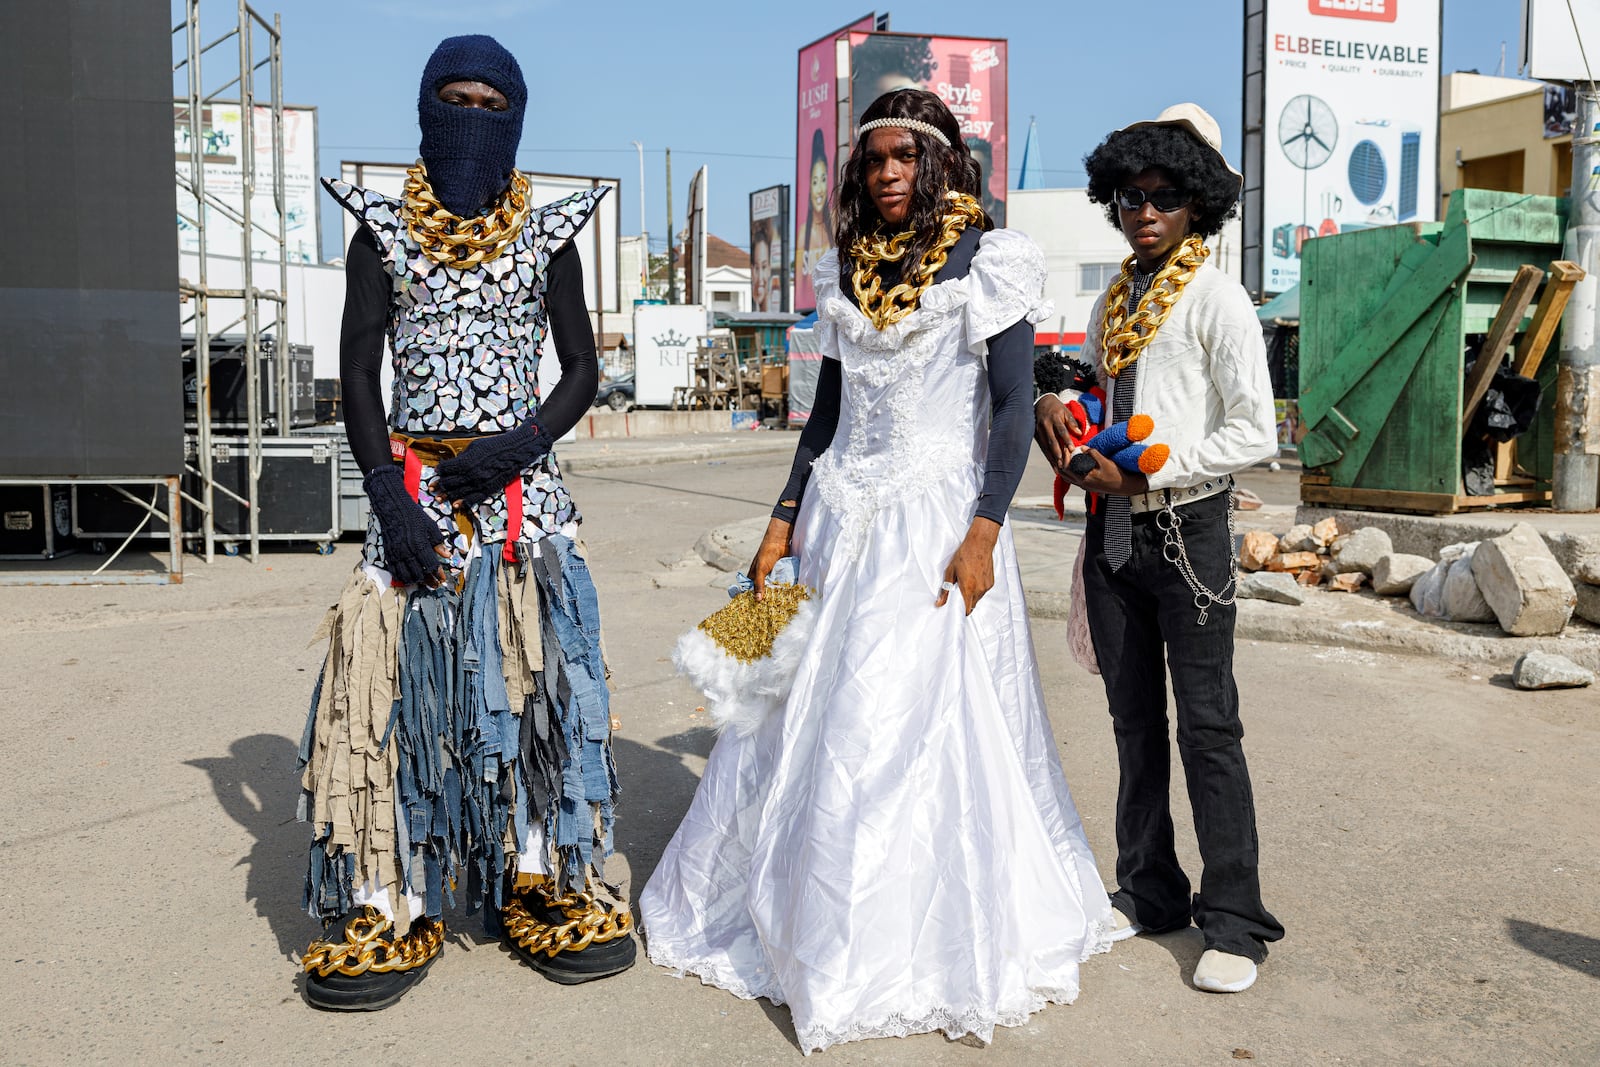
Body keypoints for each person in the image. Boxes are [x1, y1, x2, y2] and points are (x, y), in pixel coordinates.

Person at [642, 88, 1111, 1053]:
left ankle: (886, 943)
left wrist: (985, 526)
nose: (889, 173)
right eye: (875, 160)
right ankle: (809, 927)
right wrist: (780, 522)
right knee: (782, 714)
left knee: (891, 717)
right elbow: (823, 417)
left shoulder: (991, 259)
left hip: (937, 523)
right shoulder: (840, 270)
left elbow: (1015, 408)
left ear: (939, 160)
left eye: (905, 156)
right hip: (837, 515)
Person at [296, 34, 633, 1011]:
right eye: (454, 98)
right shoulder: (380, 229)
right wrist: (386, 496)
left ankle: (537, 874)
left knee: (537, 687)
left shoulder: (548, 233)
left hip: (524, 496)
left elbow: (581, 370)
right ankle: (390, 893)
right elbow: (359, 371)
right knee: (386, 691)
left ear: (516, 116)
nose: (470, 116)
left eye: (490, 103)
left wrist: (516, 443)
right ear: (423, 109)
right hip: (412, 496)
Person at [1034, 103, 1284, 994]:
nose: (1145, 210)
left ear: (1199, 204)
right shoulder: (1113, 300)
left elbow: (1256, 430)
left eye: (1166, 195)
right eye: (1131, 194)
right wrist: (1058, 412)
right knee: (1133, 725)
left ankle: (1236, 920)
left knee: (1208, 727)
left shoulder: (1218, 298)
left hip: (1188, 530)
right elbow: (1104, 404)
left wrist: (1155, 473)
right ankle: (1149, 889)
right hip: (1113, 537)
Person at [798, 129, 834, 284]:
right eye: (814, 182)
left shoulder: (837, 222)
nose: (819, 189)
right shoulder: (803, 234)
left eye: (823, 179)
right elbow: (800, 282)